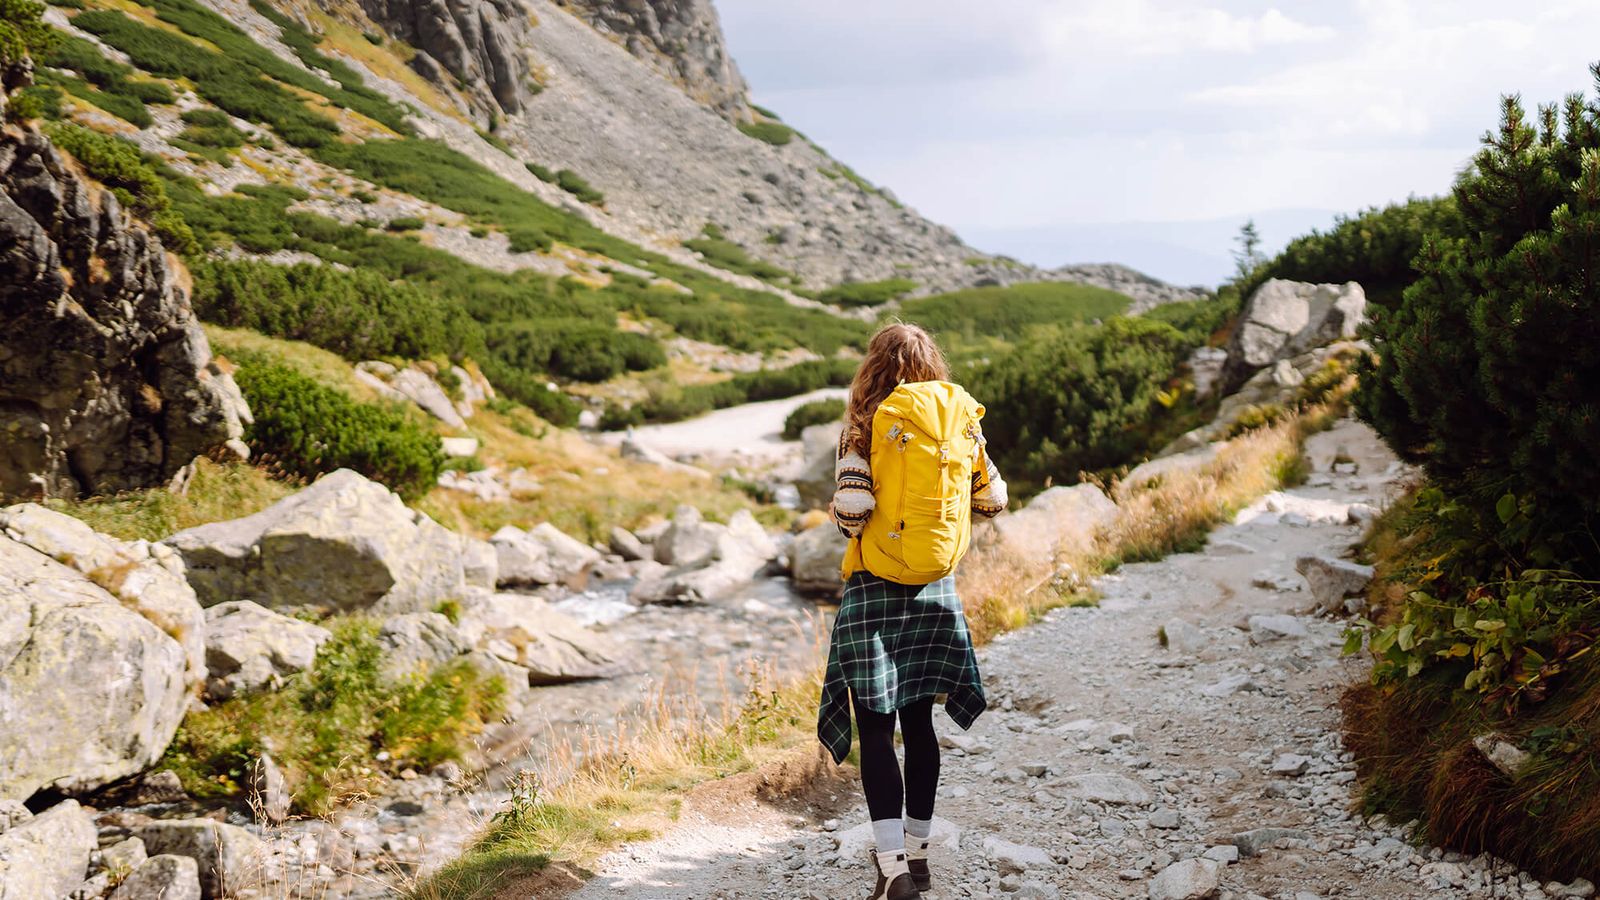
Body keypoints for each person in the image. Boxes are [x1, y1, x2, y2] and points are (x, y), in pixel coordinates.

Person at [817, 322, 1008, 900]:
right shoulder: (961, 419)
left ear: (875, 366)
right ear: (932, 363)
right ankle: (921, 860)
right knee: (920, 724)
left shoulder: (863, 424)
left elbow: (853, 511)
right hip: (934, 588)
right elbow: (992, 501)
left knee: (876, 729)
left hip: (875, 585)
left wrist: (862, 514)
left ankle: (893, 870)